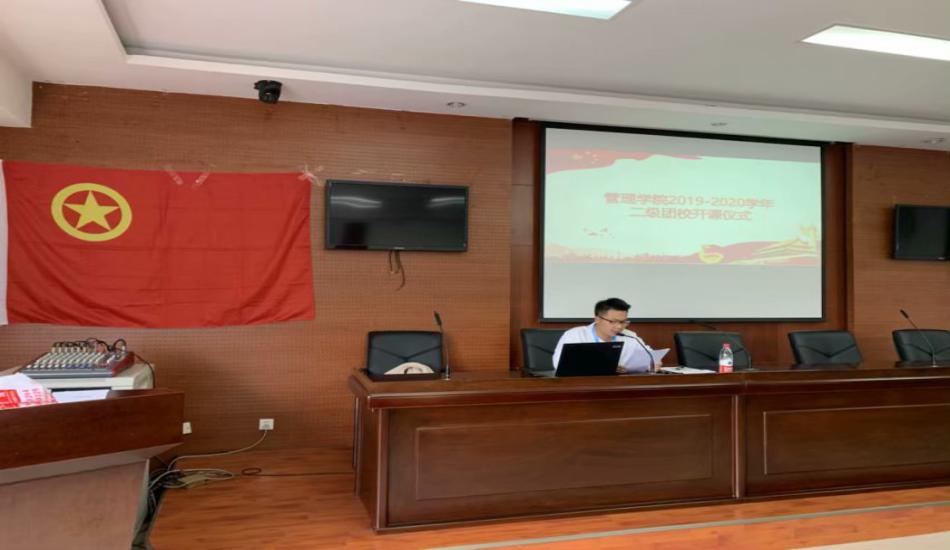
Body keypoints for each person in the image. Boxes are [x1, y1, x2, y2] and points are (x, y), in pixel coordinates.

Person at [552, 298, 659, 374]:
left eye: (623, 322)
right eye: (613, 321)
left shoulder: (630, 336)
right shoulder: (575, 335)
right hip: (582, 386)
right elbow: (559, 364)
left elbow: (652, 357)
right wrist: (602, 368)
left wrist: (653, 363)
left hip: (620, 385)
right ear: (597, 319)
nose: (619, 326)